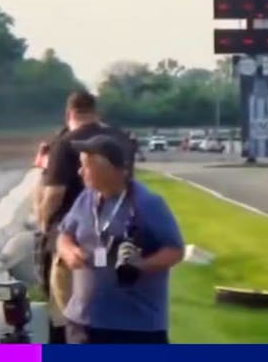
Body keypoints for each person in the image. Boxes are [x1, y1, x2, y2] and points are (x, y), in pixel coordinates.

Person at [56, 132, 185, 344]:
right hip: (83, 324)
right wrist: (68, 250)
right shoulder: (86, 198)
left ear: (110, 169)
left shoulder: (148, 203)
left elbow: (175, 250)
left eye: (86, 165)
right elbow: (65, 234)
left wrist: (141, 265)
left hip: (134, 327)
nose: (80, 172)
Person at [36, 91, 130, 343]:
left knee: (65, 316)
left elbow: (53, 195)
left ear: (69, 114)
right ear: (96, 112)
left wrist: (45, 228)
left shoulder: (64, 143)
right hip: (118, 237)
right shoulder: (120, 139)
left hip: (72, 242)